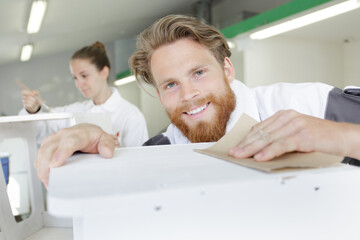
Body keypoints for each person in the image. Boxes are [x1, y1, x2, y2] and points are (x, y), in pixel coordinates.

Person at [35, 15, 360, 187]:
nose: (189, 94)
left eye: (199, 73)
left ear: (227, 68)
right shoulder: (156, 153)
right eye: (171, 84)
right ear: (159, 95)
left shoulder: (308, 103)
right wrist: (83, 159)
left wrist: (343, 136)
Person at [19, 41, 148, 148]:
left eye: (84, 76)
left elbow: (139, 163)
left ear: (104, 72)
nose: (79, 84)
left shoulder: (130, 115)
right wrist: (33, 110)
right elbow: (40, 133)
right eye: (75, 78)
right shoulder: (75, 111)